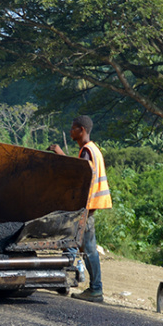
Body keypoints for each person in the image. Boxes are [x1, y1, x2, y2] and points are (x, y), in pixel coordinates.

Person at [49, 115, 111, 302]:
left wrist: (59, 154)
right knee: (74, 245)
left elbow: (77, 174)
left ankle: (95, 289)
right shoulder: (93, 150)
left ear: (81, 130)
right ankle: (67, 282)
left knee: (88, 249)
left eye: (73, 128)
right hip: (89, 208)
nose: (71, 131)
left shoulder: (87, 151)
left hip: (86, 209)